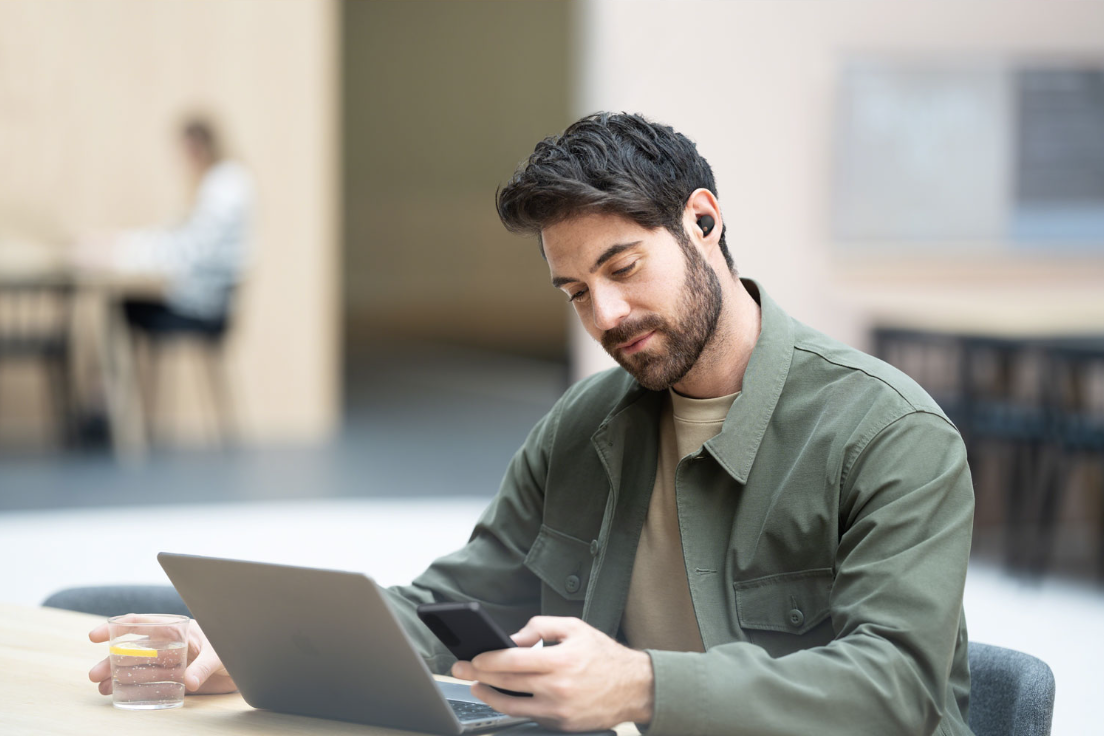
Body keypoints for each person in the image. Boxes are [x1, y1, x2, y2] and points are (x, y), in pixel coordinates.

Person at [87, 113, 974, 735]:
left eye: (623, 267)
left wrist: (641, 683)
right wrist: (248, 644)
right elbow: (454, 611)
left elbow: (891, 692)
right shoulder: (588, 423)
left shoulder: (889, 434)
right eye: (576, 291)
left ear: (703, 221)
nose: (607, 313)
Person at [77, 116, 254, 335]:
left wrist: (120, 253)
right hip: (204, 299)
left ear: (198, 148)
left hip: (205, 306)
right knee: (124, 305)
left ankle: (122, 371)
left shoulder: (224, 189)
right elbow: (173, 235)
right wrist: (118, 242)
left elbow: (186, 250)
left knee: (122, 308)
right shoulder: (219, 185)